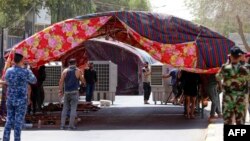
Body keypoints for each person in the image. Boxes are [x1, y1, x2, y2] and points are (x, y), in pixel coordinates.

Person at [3, 53, 37, 141]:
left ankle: (5, 138)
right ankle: (17, 139)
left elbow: (6, 80)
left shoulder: (8, 71)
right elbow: (34, 81)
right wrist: (29, 70)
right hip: (21, 100)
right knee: (18, 121)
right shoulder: (25, 71)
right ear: (22, 60)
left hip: (10, 99)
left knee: (9, 120)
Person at [216, 46, 249, 125]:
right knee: (240, 122)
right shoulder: (244, 69)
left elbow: (218, 77)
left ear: (230, 56)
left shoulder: (225, 67)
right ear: (240, 56)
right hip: (241, 98)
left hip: (228, 98)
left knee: (228, 121)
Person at [59, 58, 85, 130]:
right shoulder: (78, 71)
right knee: (73, 109)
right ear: (75, 63)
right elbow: (82, 81)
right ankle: (71, 126)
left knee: (65, 109)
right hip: (75, 92)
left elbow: (61, 81)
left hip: (67, 92)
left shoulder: (65, 71)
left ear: (69, 64)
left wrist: (60, 91)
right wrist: (82, 80)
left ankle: (62, 125)